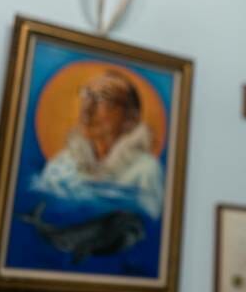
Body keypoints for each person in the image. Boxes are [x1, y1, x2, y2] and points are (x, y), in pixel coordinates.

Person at [32, 69, 164, 219]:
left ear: (131, 118)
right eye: (86, 95)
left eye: (102, 97)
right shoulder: (60, 165)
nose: (87, 108)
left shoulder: (146, 170)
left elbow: (149, 224)